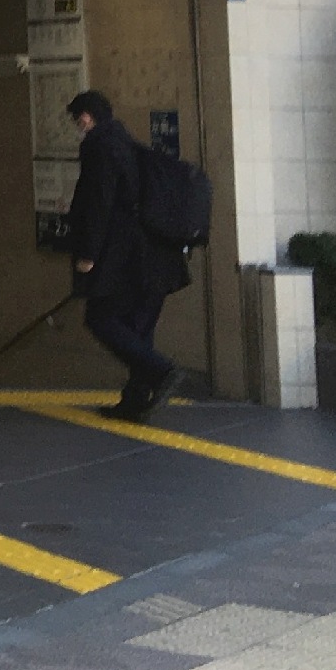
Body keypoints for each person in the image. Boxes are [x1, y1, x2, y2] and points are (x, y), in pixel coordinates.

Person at [65, 89, 189, 421]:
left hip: (128, 259)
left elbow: (99, 202)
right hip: (157, 257)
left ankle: (161, 370)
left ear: (87, 117)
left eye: (78, 120)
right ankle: (135, 400)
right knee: (138, 327)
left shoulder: (100, 147)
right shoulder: (127, 144)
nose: (78, 126)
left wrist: (88, 254)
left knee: (100, 317)